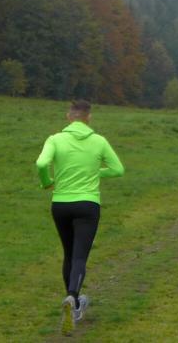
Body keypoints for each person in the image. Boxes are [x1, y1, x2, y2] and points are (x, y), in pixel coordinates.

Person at [35, 100, 125, 336]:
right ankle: (73, 298)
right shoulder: (99, 141)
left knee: (68, 253)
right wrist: (94, 172)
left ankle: (72, 303)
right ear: (89, 118)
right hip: (87, 205)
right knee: (79, 256)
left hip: (60, 204)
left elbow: (41, 163)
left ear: (69, 116)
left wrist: (46, 182)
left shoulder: (55, 139)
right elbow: (118, 170)